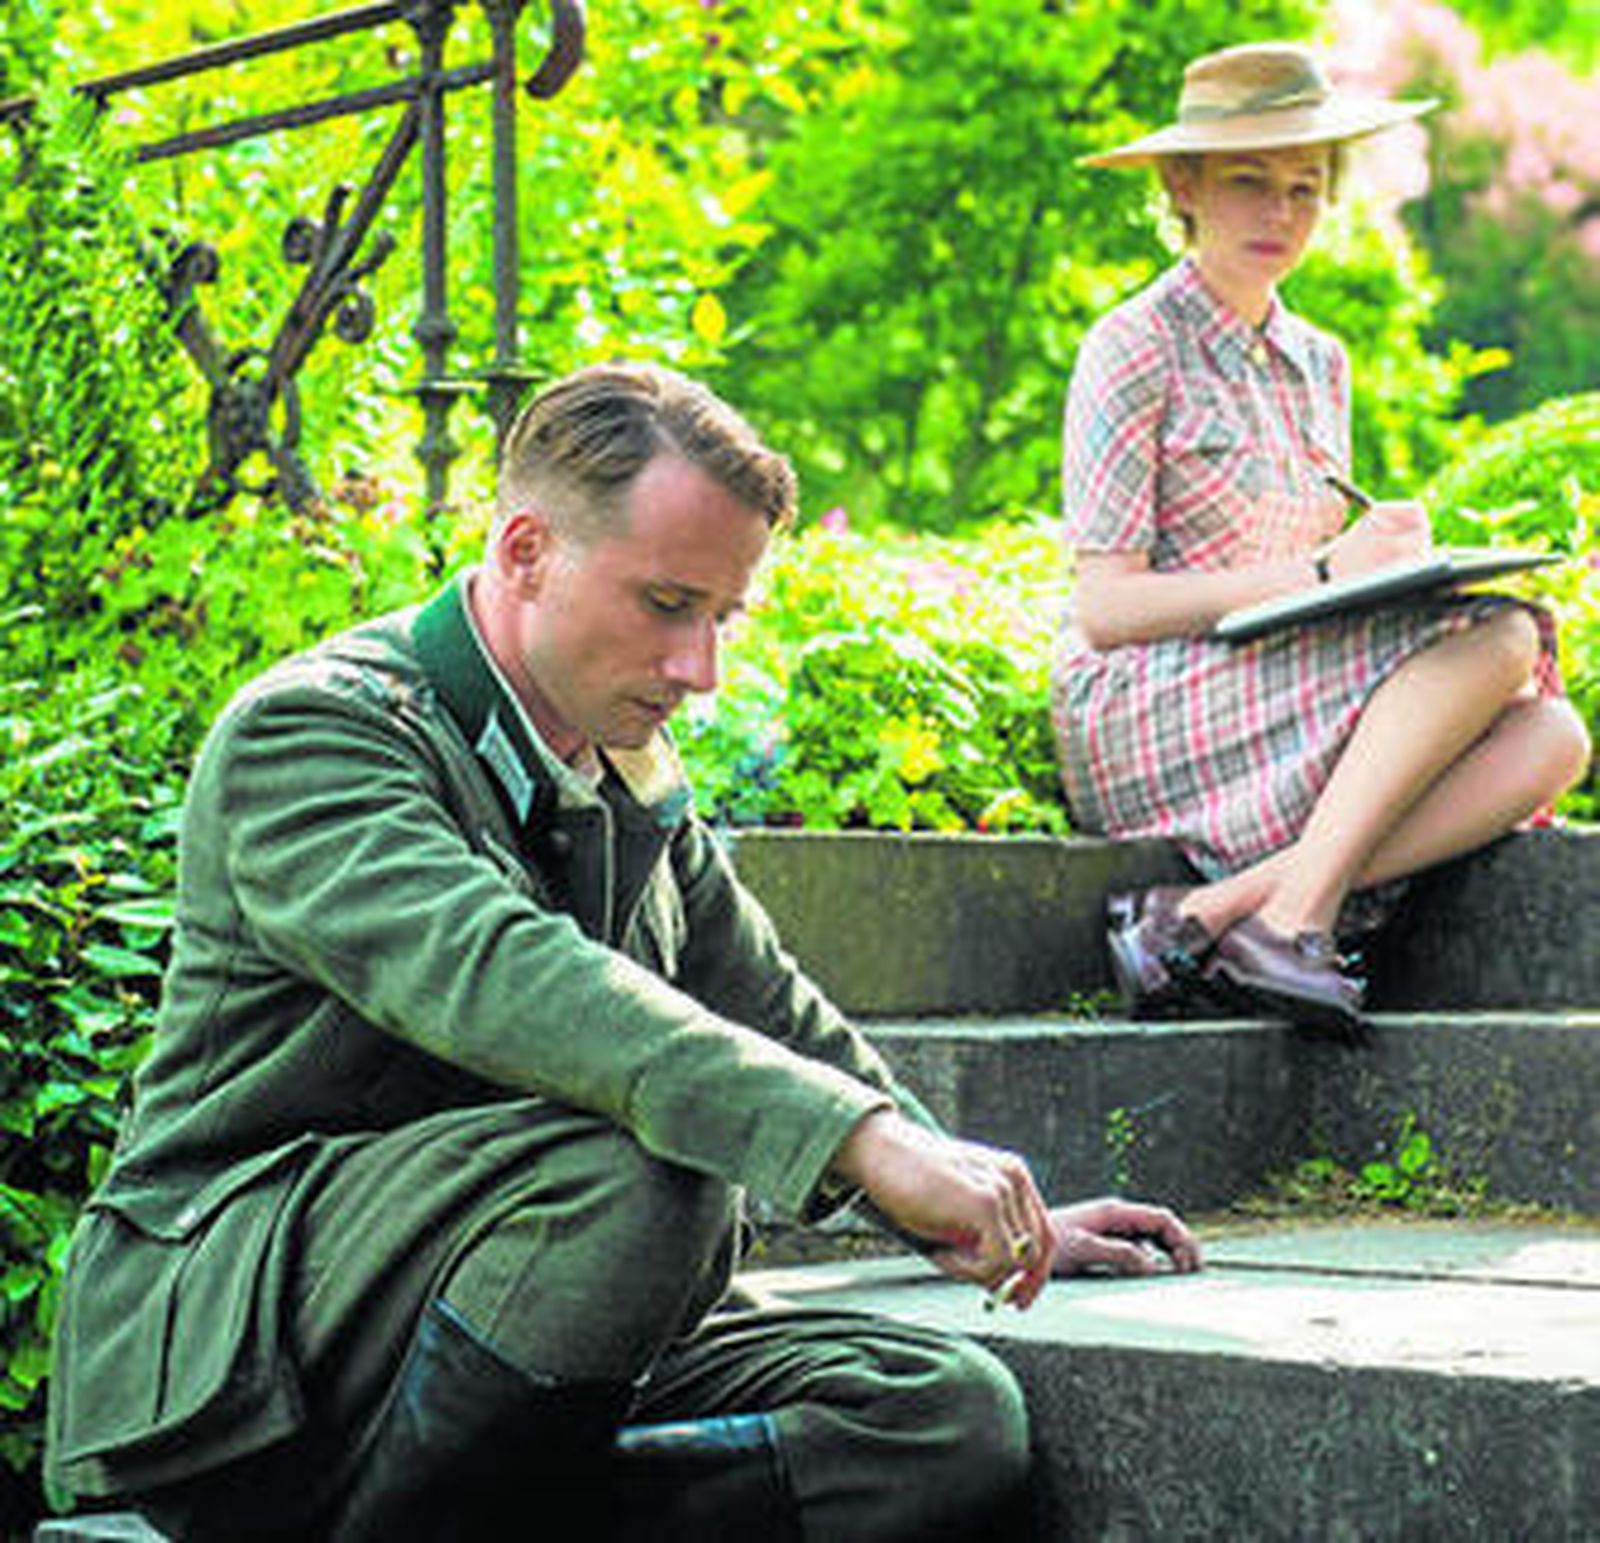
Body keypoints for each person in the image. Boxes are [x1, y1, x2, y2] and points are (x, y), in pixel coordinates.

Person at [45, 362, 1202, 1542]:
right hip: (257, 1341)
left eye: (723, 616)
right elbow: (504, 975)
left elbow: (764, 1007)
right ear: (526, 550)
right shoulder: (317, 732)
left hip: (533, 1317)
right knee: (654, 1173)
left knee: (935, 1417)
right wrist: (853, 1140)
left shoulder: (616, 770)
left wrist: (963, 1194)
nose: (702, 669)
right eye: (666, 604)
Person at [1050, 42, 1591, 1037]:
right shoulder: (1130, 348)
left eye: (1304, 187)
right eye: (1249, 183)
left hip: (1267, 681)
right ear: (1183, 185)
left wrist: (1381, 558)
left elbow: (1308, 583)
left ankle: (1214, 912)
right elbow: (1105, 607)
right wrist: (1320, 567)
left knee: (1555, 734)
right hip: (1141, 699)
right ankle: (1293, 919)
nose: (1280, 213)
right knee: (1507, 638)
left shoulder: (1318, 363)